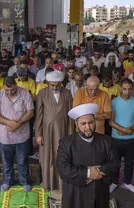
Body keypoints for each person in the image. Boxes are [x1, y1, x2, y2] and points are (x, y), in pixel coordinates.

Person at [56, 103, 115, 208]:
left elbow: (115, 163)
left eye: (91, 122)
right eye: (83, 124)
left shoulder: (106, 140)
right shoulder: (66, 143)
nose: (88, 127)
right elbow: (63, 169)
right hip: (76, 192)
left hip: (99, 190)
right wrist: (88, 173)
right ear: (76, 124)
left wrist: (97, 172)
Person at [35, 70, 75, 199]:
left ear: (61, 83)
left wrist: (71, 134)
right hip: (46, 132)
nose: (54, 87)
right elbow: (39, 116)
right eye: (52, 85)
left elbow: (70, 116)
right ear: (47, 83)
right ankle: (48, 184)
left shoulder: (67, 93)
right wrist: (38, 134)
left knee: (63, 156)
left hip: (63, 130)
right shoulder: (42, 94)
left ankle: (62, 185)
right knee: (47, 157)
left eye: (57, 85)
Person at [0, 77, 34, 192]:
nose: (9, 92)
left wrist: (18, 123)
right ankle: (7, 181)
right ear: (3, 87)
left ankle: (24, 181)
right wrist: (9, 123)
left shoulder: (24, 93)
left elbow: (30, 112)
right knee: (6, 161)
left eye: (12, 90)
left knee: (22, 160)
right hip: (4, 135)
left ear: (16, 85)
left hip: (22, 135)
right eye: (7, 90)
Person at [109, 78, 134, 194]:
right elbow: (111, 122)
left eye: (129, 89)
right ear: (120, 89)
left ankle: (128, 182)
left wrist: (129, 130)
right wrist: (124, 130)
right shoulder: (114, 102)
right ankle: (114, 182)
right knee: (115, 162)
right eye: (124, 89)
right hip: (116, 139)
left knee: (129, 162)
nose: (127, 92)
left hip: (131, 139)